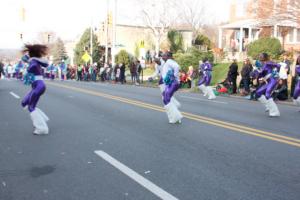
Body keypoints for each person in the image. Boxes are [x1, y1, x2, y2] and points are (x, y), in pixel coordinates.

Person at [21, 44, 50, 135]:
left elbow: (28, 74)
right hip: (36, 86)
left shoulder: (33, 62)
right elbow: (24, 59)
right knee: (24, 102)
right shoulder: (34, 61)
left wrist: (29, 61)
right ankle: (41, 119)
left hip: (39, 86)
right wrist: (28, 59)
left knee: (31, 107)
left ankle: (41, 128)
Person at [255, 53, 280, 117]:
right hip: (268, 81)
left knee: (267, 94)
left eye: (261, 56)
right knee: (258, 93)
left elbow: (278, 66)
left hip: (273, 80)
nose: (260, 57)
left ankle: (275, 112)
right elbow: (261, 74)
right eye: (259, 56)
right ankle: (268, 106)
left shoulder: (269, 63)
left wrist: (275, 74)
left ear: (265, 57)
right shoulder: (262, 64)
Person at [161, 52, 183, 124]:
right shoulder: (168, 62)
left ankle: (176, 117)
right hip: (171, 83)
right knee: (165, 97)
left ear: (168, 56)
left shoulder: (169, 61)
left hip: (172, 83)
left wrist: (174, 75)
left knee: (166, 99)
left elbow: (176, 67)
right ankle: (175, 116)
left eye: (163, 55)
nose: (162, 56)